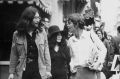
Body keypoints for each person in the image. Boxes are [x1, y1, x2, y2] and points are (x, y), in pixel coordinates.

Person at [8, 6, 51, 79]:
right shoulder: (17, 34)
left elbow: (46, 52)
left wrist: (48, 70)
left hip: (39, 71)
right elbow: (14, 54)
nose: (38, 20)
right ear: (28, 19)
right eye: (35, 18)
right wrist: (11, 72)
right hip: (23, 71)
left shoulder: (42, 33)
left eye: (38, 17)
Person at [67, 13, 107, 79]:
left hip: (89, 74)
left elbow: (103, 49)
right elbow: (71, 57)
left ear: (76, 24)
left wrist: (97, 63)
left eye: (69, 23)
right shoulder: (71, 40)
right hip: (75, 75)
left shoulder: (90, 35)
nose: (67, 25)